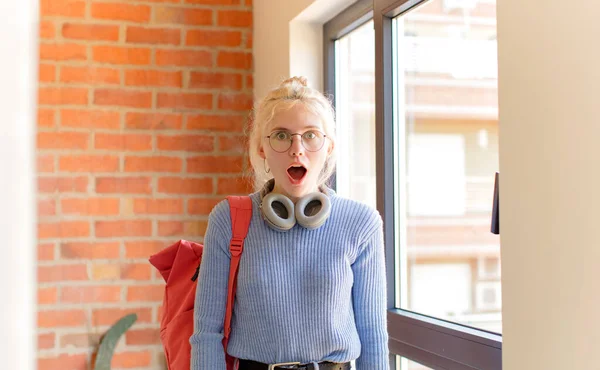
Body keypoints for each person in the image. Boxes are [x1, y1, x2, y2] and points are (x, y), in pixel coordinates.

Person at [190, 76, 389, 370]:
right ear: (262, 149)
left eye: (310, 135)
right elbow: (206, 333)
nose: (297, 149)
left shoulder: (361, 222)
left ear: (329, 148)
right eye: (282, 136)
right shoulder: (227, 219)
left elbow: (373, 336)